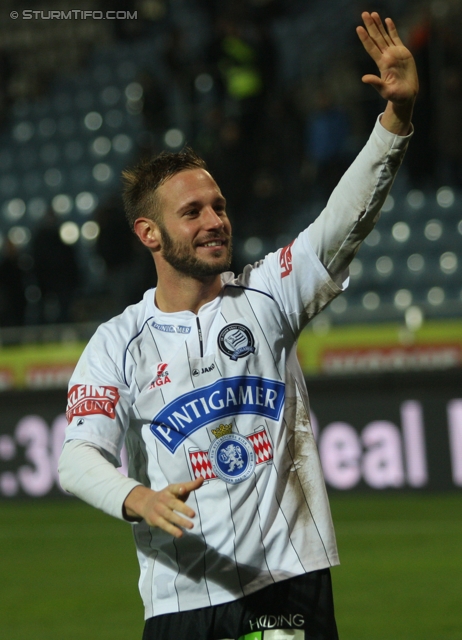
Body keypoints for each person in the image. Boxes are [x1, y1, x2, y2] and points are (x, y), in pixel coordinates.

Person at [58, 12, 418, 640]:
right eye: (192, 211)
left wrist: (394, 123)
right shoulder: (118, 340)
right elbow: (77, 456)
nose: (214, 220)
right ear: (150, 234)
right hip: (178, 600)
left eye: (219, 206)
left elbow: (344, 221)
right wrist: (137, 498)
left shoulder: (267, 293)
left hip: (286, 585)